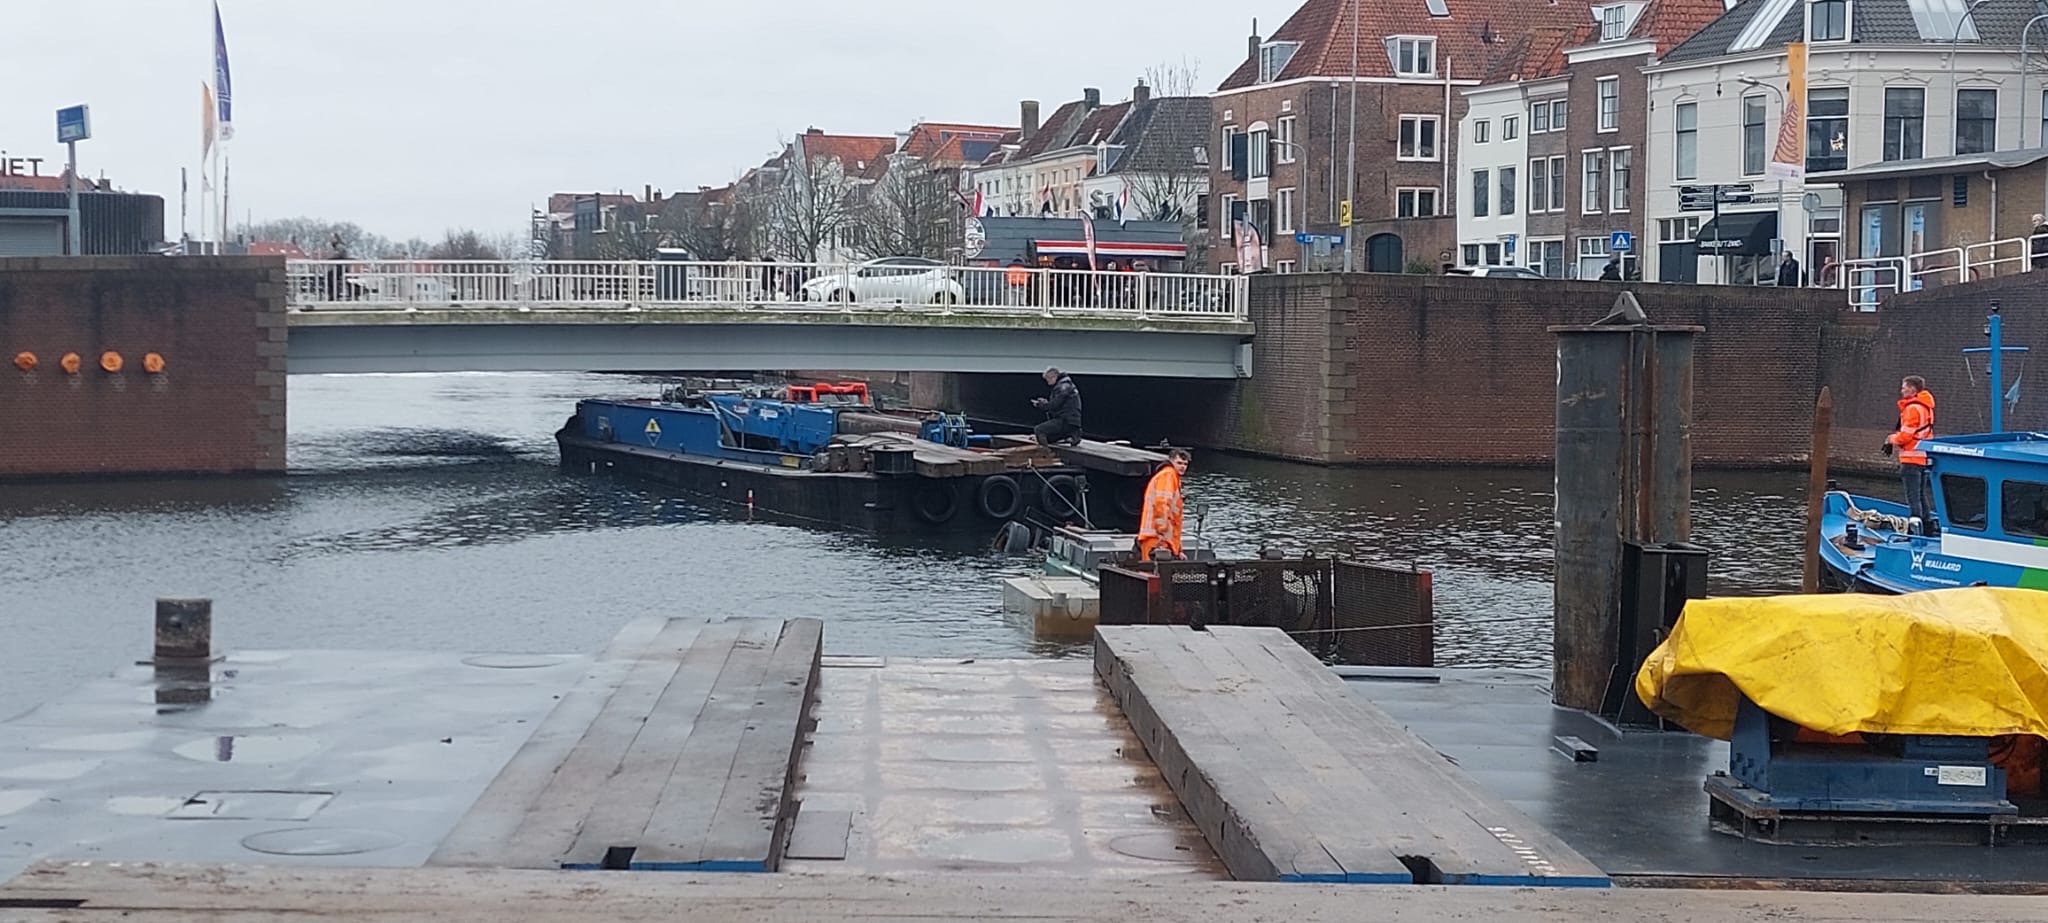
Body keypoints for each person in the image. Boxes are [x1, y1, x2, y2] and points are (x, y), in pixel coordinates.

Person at [1884, 375, 1936, 527]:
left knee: (1912, 497)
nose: (1902, 391)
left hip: (1910, 459)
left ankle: (1915, 530)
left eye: (1904, 387)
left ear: (1912, 389)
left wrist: (1891, 439)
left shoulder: (1912, 409)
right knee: (1920, 495)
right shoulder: (1926, 408)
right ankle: (1928, 525)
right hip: (1922, 458)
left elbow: (1905, 436)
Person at [1137, 449, 1192, 561]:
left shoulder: (1173, 478)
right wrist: (1161, 535)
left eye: (1185, 464)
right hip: (1156, 538)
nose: (1183, 467)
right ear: (1171, 462)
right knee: (1153, 574)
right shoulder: (1168, 475)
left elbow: (1172, 516)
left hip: (1161, 539)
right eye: (1179, 463)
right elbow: (1161, 505)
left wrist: (1178, 549)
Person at [1031, 367, 1083, 446]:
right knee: (1048, 438)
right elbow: (1059, 404)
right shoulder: (1067, 385)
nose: (1047, 383)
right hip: (1072, 421)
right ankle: (1073, 434)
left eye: (1048, 380)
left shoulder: (1062, 387)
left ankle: (1046, 454)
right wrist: (1046, 403)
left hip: (1065, 420)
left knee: (1039, 430)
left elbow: (1055, 405)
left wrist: (1041, 405)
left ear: (1053, 377)